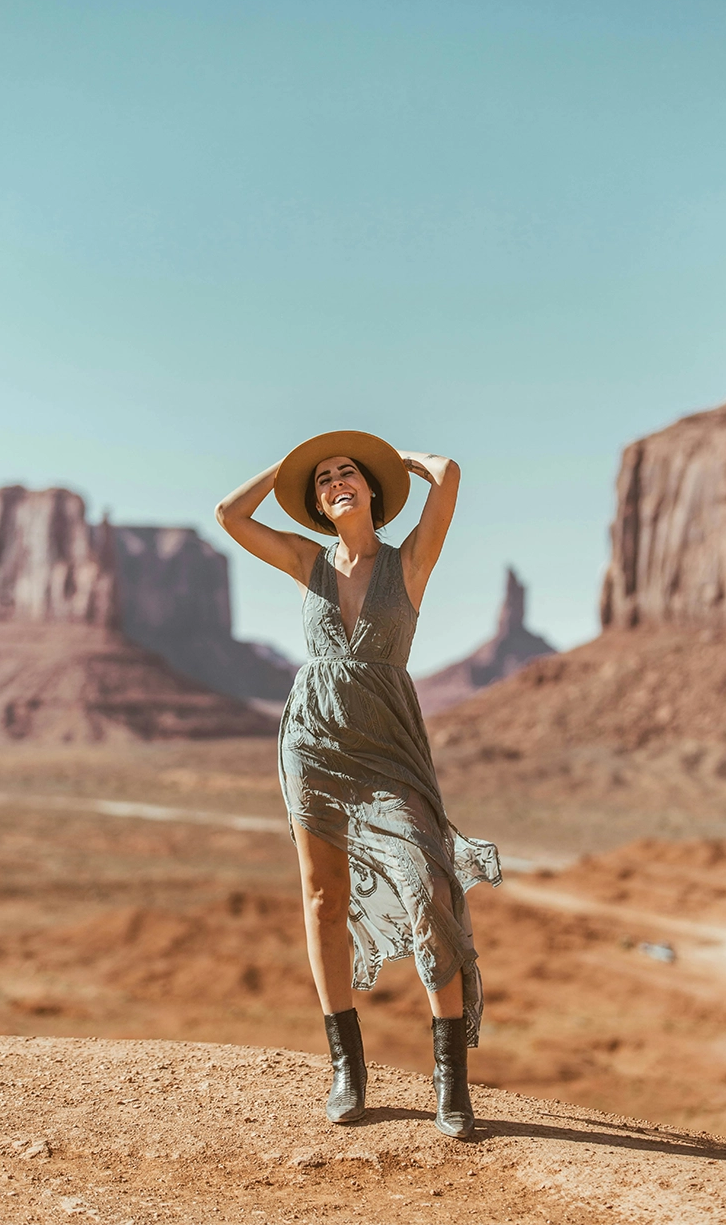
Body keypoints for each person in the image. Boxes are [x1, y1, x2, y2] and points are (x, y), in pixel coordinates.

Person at [215, 430, 501, 1139]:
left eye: (348, 474)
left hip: (387, 745)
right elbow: (229, 514)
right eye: (323, 481)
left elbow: (449, 474)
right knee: (322, 896)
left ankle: (450, 1081)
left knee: (428, 887)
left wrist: (397, 457)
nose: (335, 482)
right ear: (316, 503)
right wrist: (287, 465)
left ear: (371, 492)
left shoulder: (409, 561)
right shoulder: (306, 560)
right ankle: (347, 1067)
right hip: (312, 740)